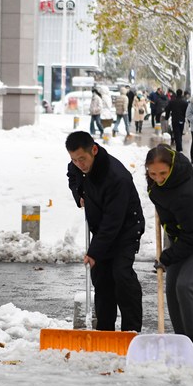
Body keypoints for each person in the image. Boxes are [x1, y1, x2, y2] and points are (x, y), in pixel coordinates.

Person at [145, 145, 193, 361]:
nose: (157, 178)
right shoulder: (157, 181)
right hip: (180, 234)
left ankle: (191, 347)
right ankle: (180, 342)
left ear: (172, 167)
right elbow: (161, 196)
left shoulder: (185, 192)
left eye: (162, 174)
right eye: (152, 173)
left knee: (184, 286)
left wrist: (167, 257)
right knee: (171, 289)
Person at [66, 132, 144, 331]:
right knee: (101, 278)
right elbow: (72, 175)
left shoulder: (116, 177)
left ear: (94, 150)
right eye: (74, 159)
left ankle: (131, 330)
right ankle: (105, 330)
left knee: (121, 274)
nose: (79, 164)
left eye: (82, 159)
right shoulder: (79, 166)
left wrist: (94, 253)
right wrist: (79, 195)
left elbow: (113, 222)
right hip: (102, 228)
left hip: (126, 228)